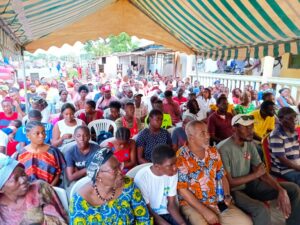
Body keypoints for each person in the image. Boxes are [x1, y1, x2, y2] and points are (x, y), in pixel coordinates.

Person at [217, 114, 300, 225]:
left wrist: (280, 189)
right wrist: (255, 175)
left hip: (250, 185)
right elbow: (230, 182)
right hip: (234, 191)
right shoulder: (223, 148)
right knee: (261, 210)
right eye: (246, 127)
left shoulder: (249, 143)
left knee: (293, 189)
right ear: (234, 128)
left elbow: (262, 172)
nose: (251, 131)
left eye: (251, 127)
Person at [177, 120, 252, 225]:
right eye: (202, 133)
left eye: (207, 132)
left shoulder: (213, 151)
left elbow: (222, 175)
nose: (208, 136)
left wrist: (226, 195)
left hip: (215, 201)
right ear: (191, 137)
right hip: (192, 205)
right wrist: (205, 211)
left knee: (245, 223)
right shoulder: (181, 157)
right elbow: (182, 189)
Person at [69, 148, 151, 224]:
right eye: (115, 169)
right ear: (97, 175)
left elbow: (143, 219)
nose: (120, 172)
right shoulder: (78, 203)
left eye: (120, 166)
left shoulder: (128, 185)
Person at [0, 154, 68, 225]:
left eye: (23, 174)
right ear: (1, 189)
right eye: (15, 179)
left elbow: (56, 221)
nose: (23, 180)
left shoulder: (39, 188)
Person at [135, 144, 187, 225]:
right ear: (157, 167)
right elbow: (148, 210)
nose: (175, 168)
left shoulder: (172, 173)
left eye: (175, 163)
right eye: (170, 165)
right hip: (151, 216)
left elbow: (171, 204)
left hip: (168, 213)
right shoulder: (142, 178)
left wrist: (182, 223)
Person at [16, 121, 66, 186]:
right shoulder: (21, 154)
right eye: (37, 133)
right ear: (28, 136)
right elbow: (19, 175)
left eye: (43, 132)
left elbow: (58, 173)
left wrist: (49, 187)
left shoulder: (53, 151)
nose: (42, 136)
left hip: (51, 189)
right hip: (28, 190)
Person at [269, 107, 300, 186]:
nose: (293, 121)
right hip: (283, 170)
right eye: (289, 119)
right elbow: (283, 160)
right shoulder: (276, 135)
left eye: (294, 118)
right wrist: (298, 168)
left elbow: (296, 150)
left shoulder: (293, 131)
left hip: (295, 165)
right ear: (281, 120)